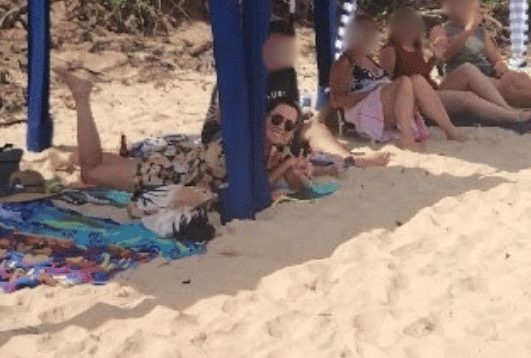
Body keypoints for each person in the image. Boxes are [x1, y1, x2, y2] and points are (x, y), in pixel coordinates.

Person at [58, 68, 223, 239]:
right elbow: (220, 117)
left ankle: (81, 96)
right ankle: (81, 96)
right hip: (191, 166)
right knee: (93, 168)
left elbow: (218, 118)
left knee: (94, 169)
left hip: (194, 163)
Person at [202, 20, 389, 169]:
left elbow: (292, 109)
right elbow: (224, 119)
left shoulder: (286, 72)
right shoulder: (242, 72)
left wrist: (289, 131)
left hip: (274, 130)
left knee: (314, 128)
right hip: (230, 134)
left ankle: (348, 159)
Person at [380, 6, 531, 126]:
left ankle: (507, 108)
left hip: (431, 90)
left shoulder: (415, 47)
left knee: (468, 69)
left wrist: (434, 58)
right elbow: (389, 84)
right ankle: (513, 117)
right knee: (468, 98)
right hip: (415, 98)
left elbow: (424, 73)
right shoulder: (390, 50)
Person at [329, 14, 469, 149]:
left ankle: (450, 131)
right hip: (364, 110)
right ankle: (407, 138)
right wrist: (369, 94)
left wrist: (433, 58)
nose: (372, 36)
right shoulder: (345, 63)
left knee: (417, 79)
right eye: (367, 31)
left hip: (382, 104)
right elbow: (336, 101)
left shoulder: (368, 58)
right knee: (403, 81)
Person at [430, 0, 531, 109]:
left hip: (487, 73)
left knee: (518, 78)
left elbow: (495, 59)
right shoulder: (440, 30)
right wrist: (468, 30)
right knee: (504, 86)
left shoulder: (481, 32)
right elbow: (444, 56)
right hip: (460, 78)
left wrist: (499, 64)